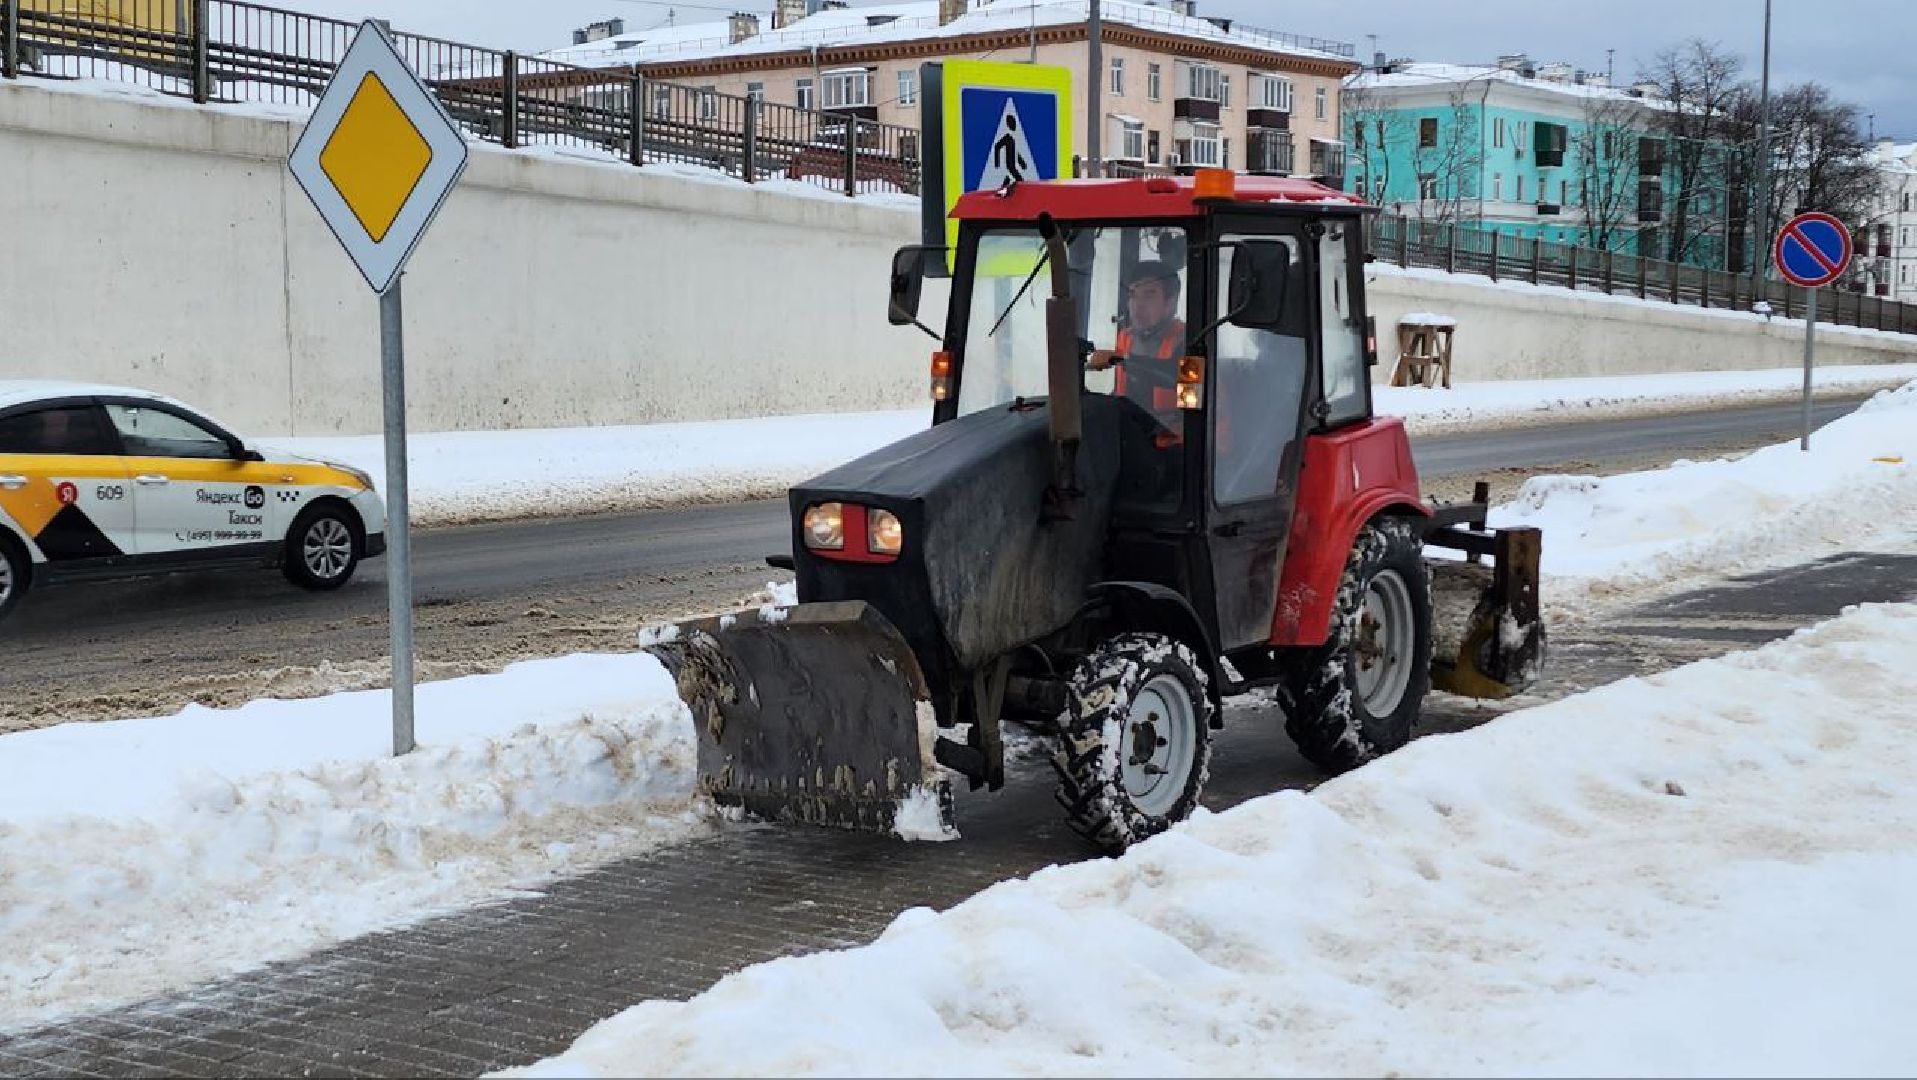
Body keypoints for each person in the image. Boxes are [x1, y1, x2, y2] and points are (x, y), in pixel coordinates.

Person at [1087, 259, 1187, 433]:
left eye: (1149, 295)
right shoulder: (1126, 338)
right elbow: (1125, 393)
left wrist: (1123, 360)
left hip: (1179, 444)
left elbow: (1181, 385)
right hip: (1136, 436)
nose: (1137, 305)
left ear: (1170, 303)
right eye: (1133, 295)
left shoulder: (1189, 342)